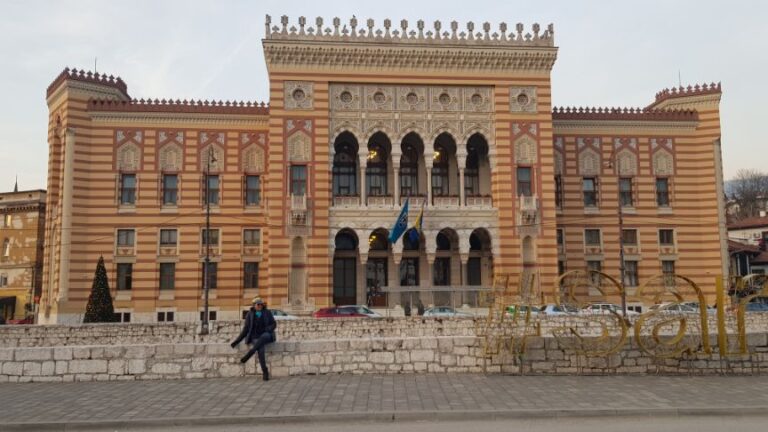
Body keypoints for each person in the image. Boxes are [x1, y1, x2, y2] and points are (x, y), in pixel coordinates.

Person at [231, 297, 276, 381]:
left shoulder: (267, 312)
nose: (260, 306)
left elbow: (274, 324)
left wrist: (268, 329)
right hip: (255, 337)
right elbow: (246, 329)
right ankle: (265, 371)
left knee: (264, 336)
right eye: (258, 304)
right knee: (261, 350)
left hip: (267, 334)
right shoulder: (249, 314)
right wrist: (237, 341)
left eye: (261, 304)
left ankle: (250, 353)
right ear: (254, 305)